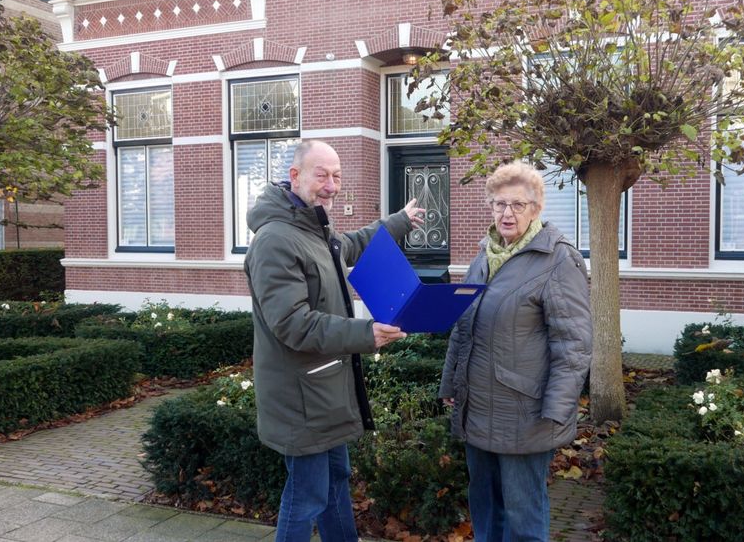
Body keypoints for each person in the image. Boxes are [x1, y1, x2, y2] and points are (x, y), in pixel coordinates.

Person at [244, 139, 423, 542]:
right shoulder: (276, 239)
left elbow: (350, 245)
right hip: (301, 398)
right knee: (306, 494)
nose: (331, 185)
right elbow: (292, 324)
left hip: (325, 392)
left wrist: (397, 221)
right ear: (295, 176)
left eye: (337, 175)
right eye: (322, 174)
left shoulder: (312, 227)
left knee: (336, 481)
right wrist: (365, 333)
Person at [439, 161, 593, 542]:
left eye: (518, 205)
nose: (507, 213)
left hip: (524, 413)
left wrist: (556, 413)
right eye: (499, 204)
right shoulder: (483, 255)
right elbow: (463, 327)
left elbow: (573, 345)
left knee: (523, 518)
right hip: (477, 409)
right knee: (486, 509)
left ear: (536, 209)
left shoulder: (558, 259)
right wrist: (450, 386)